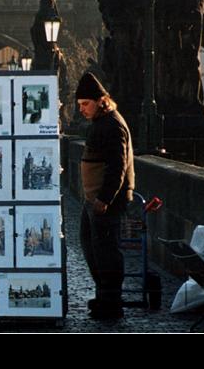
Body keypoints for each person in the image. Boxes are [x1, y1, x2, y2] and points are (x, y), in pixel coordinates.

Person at [76, 72, 135, 321]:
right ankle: (103, 295)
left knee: (106, 250)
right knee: (91, 245)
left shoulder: (112, 124)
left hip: (105, 201)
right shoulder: (102, 123)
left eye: (85, 104)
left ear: (101, 101)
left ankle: (111, 302)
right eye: (79, 105)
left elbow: (117, 167)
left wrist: (105, 199)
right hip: (94, 198)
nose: (82, 110)